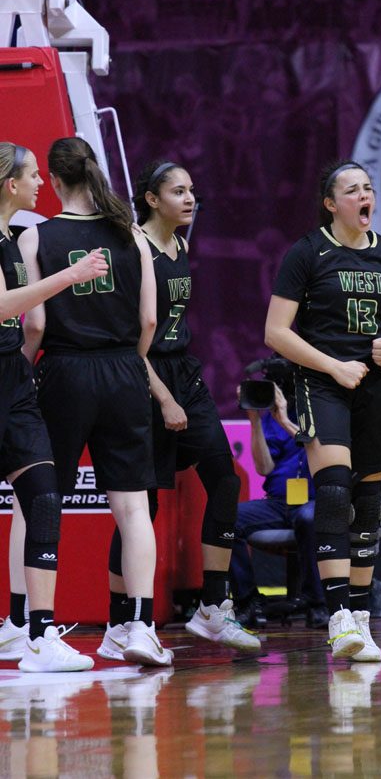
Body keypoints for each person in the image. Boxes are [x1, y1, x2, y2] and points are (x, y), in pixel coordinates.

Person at [18, 136, 173, 667]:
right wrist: (130, 360)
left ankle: (30, 626)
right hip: (125, 369)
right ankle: (142, 627)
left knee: (42, 499)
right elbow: (150, 319)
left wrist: (28, 366)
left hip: (62, 369)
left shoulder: (36, 236)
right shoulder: (132, 233)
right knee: (132, 508)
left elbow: (34, 321)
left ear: (55, 181)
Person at [101, 159, 259, 656]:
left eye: (192, 190)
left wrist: (177, 391)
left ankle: (213, 608)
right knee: (139, 505)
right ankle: (118, 626)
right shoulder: (133, 248)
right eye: (178, 191)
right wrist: (164, 398)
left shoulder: (181, 243)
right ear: (151, 199)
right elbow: (129, 342)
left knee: (225, 478)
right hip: (141, 380)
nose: (190, 199)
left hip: (183, 374)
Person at [264, 159, 381, 661]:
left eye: (368, 188)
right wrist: (335, 367)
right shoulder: (307, 253)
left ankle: (363, 617)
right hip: (322, 383)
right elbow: (277, 333)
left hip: (377, 389)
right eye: (353, 190)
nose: (364, 196)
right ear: (332, 204)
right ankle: (339, 618)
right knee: (332, 489)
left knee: (369, 499)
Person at [0, 141, 107, 672]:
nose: (42, 183)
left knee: (44, 495)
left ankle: (37, 635)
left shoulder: (14, 238)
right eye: (33, 175)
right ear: (9, 184)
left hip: (13, 380)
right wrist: (69, 276)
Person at [232, 362, 328, 629]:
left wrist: (285, 420)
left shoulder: (322, 411)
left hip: (314, 500)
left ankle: (318, 604)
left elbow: (318, 450)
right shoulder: (269, 420)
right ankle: (249, 601)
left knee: (309, 518)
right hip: (277, 503)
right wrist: (255, 423)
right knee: (227, 519)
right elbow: (264, 468)